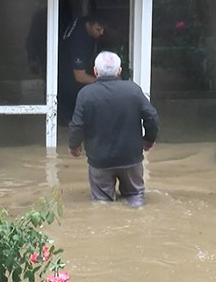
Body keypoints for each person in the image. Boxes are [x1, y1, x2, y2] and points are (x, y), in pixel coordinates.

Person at [68, 51, 159, 208]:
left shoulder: (86, 94)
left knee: (102, 204)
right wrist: (149, 139)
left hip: (100, 160)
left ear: (95, 71)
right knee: (136, 198)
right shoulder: (133, 90)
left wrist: (74, 145)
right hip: (131, 158)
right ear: (119, 71)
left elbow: (77, 125)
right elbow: (152, 117)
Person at [57, 12, 106, 125]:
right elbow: (80, 77)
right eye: (98, 29)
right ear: (88, 25)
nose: (102, 33)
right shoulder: (79, 42)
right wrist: (105, 82)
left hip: (67, 68)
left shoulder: (82, 22)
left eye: (103, 29)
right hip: (66, 77)